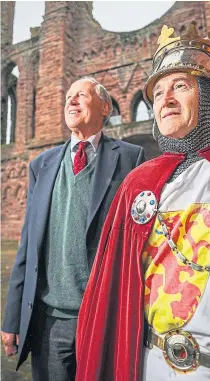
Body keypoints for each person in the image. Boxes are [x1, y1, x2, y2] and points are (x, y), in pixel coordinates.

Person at [75, 25, 210, 381]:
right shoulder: (139, 184)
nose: (166, 99)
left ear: (209, 98)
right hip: (151, 365)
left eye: (180, 86)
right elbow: (111, 291)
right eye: (157, 93)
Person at [1, 76, 145, 381]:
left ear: (105, 107)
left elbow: (138, 244)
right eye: (68, 96)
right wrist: (12, 318)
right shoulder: (42, 164)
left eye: (81, 95)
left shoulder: (131, 158)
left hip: (103, 318)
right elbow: (28, 246)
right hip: (49, 321)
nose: (71, 101)